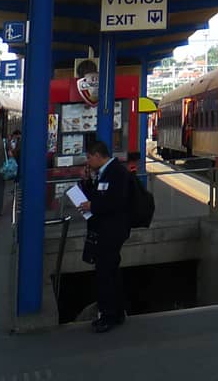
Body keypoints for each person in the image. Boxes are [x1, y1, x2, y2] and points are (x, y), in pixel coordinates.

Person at [77, 138, 131, 332]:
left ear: (98, 156)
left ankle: (108, 315)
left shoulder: (117, 173)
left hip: (113, 231)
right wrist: (86, 182)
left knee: (105, 273)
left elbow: (116, 201)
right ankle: (116, 312)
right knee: (111, 271)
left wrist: (93, 206)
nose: (88, 161)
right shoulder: (103, 173)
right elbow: (99, 196)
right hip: (105, 229)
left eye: (89, 157)